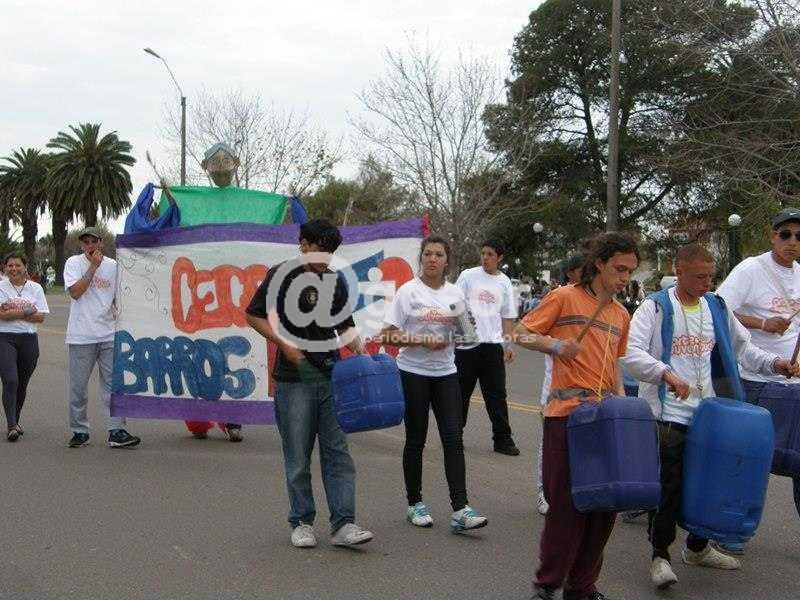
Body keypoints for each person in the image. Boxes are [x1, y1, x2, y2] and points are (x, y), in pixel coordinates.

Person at [621, 244, 797, 590]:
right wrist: (664, 373)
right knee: (669, 486)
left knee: (710, 483)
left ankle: (697, 548)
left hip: (710, 416)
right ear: (679, 271)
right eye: (700, 277)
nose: (707, 283)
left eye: (711, 276)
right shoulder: (655, 307)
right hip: (668, 413)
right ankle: (660, 556)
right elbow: (630, 352)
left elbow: (744, 348)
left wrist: (775, 364)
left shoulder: (716, 307)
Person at [515, 232, 639, 600]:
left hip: (605, 419)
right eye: (619, 269)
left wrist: (620, 405)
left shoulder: (620, 313)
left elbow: (612, 365)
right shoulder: (564, 296)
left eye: (630, 271)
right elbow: (520, 334)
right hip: (568, 417)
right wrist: (556, 345)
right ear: (599, 263)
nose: (625, 277)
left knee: (604, 506)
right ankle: (547, 583)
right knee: (567, 507)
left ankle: (581, 586)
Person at [245, 219, 373, 548]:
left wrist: (361, 352)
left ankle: (344, 524)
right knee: (298, 457)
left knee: (338, 453)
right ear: (303, 244)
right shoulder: (280, 275)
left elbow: (344, 326)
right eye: (321, 250)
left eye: (331, 253)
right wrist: (284, 344)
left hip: (332, 377)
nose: (326, 258)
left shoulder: (335, 280)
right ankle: (301, 522)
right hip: (294, 381)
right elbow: (253, 315)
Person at [381, 235, 488, 533]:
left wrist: (465, 329)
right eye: (427, 253)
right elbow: (387, 334)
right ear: (422, 258)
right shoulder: (408, 292)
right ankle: (414, 503)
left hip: (446, 373)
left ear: (446, 261)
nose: (432, 259)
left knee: (453, 439)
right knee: (416, 440)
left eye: (438, 254)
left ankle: (461, 509)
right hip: (412, 372)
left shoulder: (455, 293)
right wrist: (421, 340)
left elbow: (466, 337)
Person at [716, 206, 800, 549]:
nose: (792, 242)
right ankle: (731, 532)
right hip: (756, 379)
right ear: (772, 235)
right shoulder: (752, 269)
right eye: (785, 234)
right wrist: (762, 323)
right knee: (749, 460)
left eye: (799, 237)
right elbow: (718, 307)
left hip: (794, 383)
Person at [65, 227, 140, 448]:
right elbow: (75, 293)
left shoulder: (114, 266)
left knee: (113, 386)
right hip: (81, 336)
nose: (89, 245)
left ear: (101, 243)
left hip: (108, 334)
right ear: (82, 245)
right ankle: (79, 430)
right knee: (78, 388)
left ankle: (116, 430)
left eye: (93, 241)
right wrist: (93, 267)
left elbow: (119, 298)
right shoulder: (73, 263)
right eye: (85, 242)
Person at [454, 240, 520, 456]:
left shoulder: (504, 282)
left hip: (492, 346)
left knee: (496, 395)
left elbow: (507, 316)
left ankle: (502, 439)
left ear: (499, 258)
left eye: (490, 254)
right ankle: (454, 436)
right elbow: (454, 304)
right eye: (483, 253)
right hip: (466, 345)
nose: (485, 257)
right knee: (460, 394)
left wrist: (508, 344)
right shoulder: (468, 276)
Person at [535, 252, 586, 516]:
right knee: (550, 445)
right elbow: (529, 334)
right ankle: (544, 492)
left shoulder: (597, 302)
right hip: (556, 388)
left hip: (587, 391)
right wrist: (557, 346)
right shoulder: (559, 297)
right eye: (584, 269)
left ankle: (575, 493)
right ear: (571, 273)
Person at [0, 253, 48, 441]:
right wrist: (27, 311)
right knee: (10, 380)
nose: (13, 269)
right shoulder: (1, 287)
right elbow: (1, 316)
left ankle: (16, 420)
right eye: (10, 265)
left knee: (21, 383)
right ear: (5, 268)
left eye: (17, 265)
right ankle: (11, 426)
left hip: (29, 340)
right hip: (4, 338)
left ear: (25, 267)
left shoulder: (36, 288)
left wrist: (12, 312)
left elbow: (40, 317)